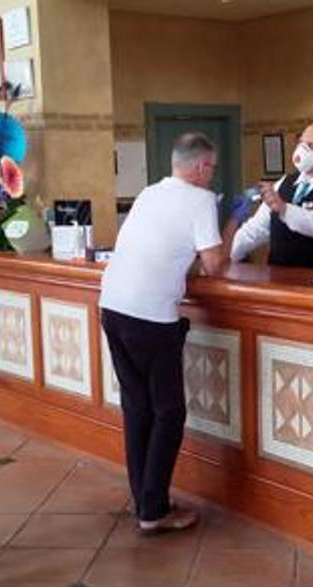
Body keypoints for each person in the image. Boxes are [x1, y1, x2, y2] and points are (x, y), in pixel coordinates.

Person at [99, 132, 228, 535]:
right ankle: (153, 510)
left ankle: (145, 500)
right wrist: (235, 219)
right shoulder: (202, 200)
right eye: (211, 168)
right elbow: (214, 266)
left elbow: (165, 250)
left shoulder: (149, 193)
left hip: (113, 307)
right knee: (169, 412)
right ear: (202, 166)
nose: (211, 175)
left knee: (137, 409)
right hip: (150, 318)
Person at [229, 122, 313, 270]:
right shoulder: (284, 183)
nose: (301, 150)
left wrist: (285, 209)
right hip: (278, 280)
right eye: (300, 143)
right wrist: (224, 255)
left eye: (310, 146)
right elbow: (255, 231)